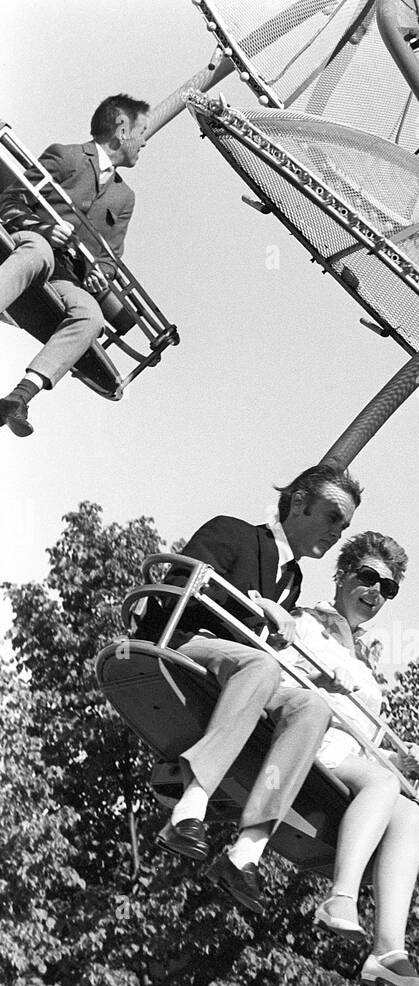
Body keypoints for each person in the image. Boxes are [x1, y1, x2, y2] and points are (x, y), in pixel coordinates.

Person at [153, 464, 362, 915]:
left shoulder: (294, 581)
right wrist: (257, 604)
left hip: (244, 671)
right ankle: (190, 808)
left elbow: (265, 651)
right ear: (300, 502)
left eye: (343, 526)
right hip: (189, 643)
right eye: (331, 516)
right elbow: (175, 591)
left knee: (311, 705)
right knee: (260, 663)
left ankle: (246, 850)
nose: (337, 532)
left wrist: (320, 678)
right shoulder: (233, 533)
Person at [284, 531, 419, 986]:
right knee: (380, 785)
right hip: (306, 738)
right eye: (368, 577)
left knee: (409, 811)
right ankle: (341, 897)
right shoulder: (305, 621)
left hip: (345, 755)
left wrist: (398, 757)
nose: (375, 593)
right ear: (342, 575)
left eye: (387, 588)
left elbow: (365, 738)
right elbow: (288, 678)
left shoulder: (366, 658)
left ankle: (388, 950)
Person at [0, 94, 149, 437]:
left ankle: (20, 397)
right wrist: (45, 228)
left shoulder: (124, 198)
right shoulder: (66, 157)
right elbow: (10, 202)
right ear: (122, 130)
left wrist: (100, 277)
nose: (144, 141)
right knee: (39, 254)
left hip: (67, 274)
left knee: (91, 316)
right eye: (141, 131)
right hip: (34, 241)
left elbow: (110, 258)